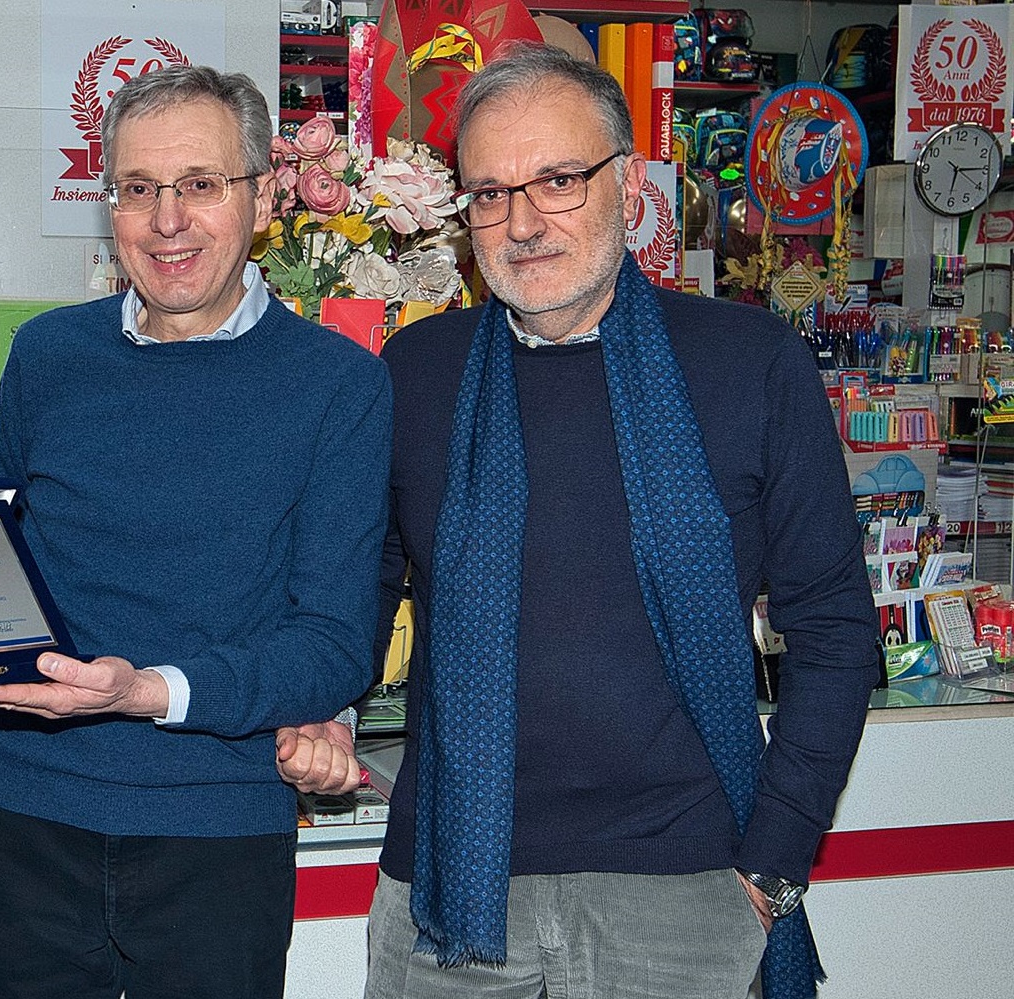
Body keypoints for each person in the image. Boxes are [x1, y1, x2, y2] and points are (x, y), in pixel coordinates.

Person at [365, 44, 878, 999]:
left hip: (687, 894)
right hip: (449, 891)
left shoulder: (748, 364)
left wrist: (771, 864)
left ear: (629, 183)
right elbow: (354, 602)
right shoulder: (415, 372)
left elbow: (836, 631)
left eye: (558, 180)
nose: (522, 223)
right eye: (490, 193)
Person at [0, 64, 392, 999]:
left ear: (262, 198)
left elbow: (333, 644)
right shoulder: (47, 354)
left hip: (216, 830)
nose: (167, 220)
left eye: (200, 184)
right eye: (137, 188)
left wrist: (148, 690)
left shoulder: (338, 384)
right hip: (19, 811)